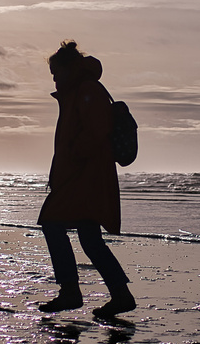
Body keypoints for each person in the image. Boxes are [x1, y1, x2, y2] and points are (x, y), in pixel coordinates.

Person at [36, 41, 134, 319]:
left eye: (56, 71)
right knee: (90, 239)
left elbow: (95, 132)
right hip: (83, 176)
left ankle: (70, 291)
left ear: (70, 68)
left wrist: (72, 157)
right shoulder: (77, 91)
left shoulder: (87, 90)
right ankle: (121, 295)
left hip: (85, 178)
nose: (53, 77)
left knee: (52, 223)